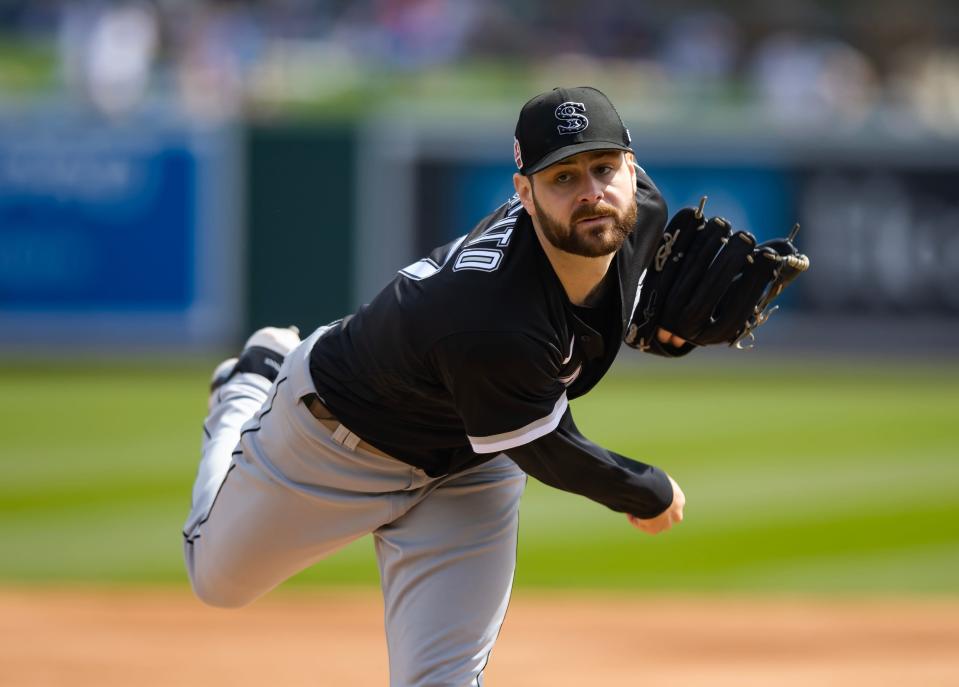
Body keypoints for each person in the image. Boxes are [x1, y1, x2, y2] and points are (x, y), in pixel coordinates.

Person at [183, 86, 687, 686]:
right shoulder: (492, 315)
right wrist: (645, 489)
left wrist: (662, 322)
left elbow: (608, 308)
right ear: (524, 193)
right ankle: (250, 383)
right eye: (562, 178)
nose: (591, 193)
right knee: (217, 584)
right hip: (335, 441)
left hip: (472, 462)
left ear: (634, 168)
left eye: (605, 168)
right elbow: (549, 448)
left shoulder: (642, 215)